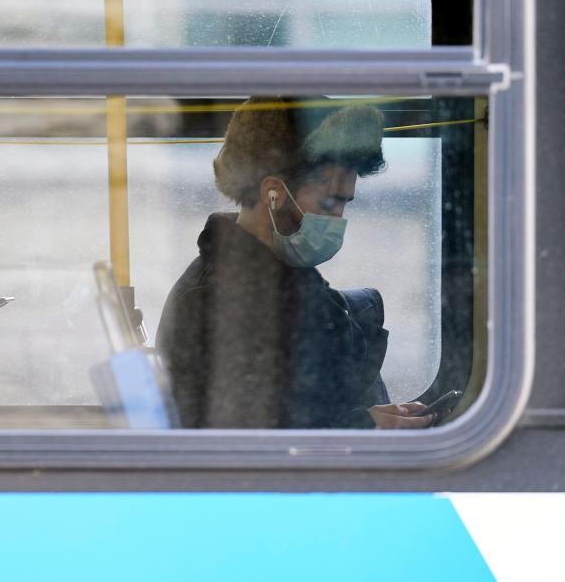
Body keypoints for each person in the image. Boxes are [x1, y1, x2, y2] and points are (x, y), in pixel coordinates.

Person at [156, 98, 432, 430]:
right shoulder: (214, 303)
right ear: (274, 194)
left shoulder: (279, 282)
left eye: (344, 204)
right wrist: (363, 428)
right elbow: (254, 441)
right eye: (329, 202)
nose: (338, 219)